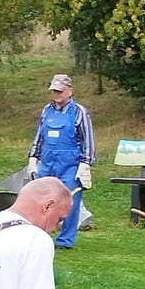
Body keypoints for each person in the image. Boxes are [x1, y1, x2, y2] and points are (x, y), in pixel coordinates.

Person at [26, 73, 96, 249]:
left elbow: (88, 140)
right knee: (41, 199)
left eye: (60, 91)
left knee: (70, 201)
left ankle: (65, 241)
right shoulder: (46, 110)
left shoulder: (79, 112)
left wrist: (85, 164)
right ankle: (40, 234)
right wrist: (33, 158)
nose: (56, 94)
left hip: (71, 165)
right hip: (48, 163)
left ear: (70, 91)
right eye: (54, 91)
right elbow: (39, 137)